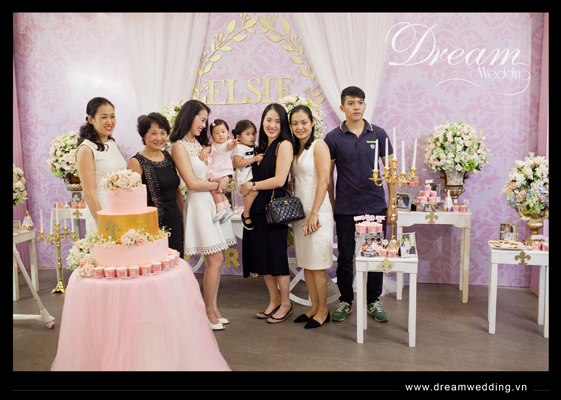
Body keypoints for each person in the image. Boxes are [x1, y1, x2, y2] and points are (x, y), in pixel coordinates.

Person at [324, 86, 395, 323]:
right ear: (342, 107)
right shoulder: (333, 138)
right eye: (351, 103)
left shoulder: (379, 134)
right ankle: (345, 300)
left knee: (375, 255)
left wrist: (391, 205)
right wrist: (332, 206)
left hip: (375, 206)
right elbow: (328, 177)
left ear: (365, 105)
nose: (356, 107)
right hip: (345, 207)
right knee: (346, 257)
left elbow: (391, 173)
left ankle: (373, 300)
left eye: (360, 102)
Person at [170, 99, 236, 331]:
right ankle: (207, 312)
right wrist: (218, 185)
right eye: (201, 120)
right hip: (199, 204)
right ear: (189, 117)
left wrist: (225, 179)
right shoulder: (178, 146)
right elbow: (191, 183)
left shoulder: (200, 144)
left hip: (210, 202)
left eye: (205, 121)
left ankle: (214, 310)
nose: (203, 125)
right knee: (215, 260)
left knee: (217, 260)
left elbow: (218, 168)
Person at [240, 104, 294, 324]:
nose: (272, 125)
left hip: (274, 210)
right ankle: (274, 301)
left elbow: (280, 180)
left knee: (277, 258)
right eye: (268, 120)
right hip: (258, 209)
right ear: (262, 121)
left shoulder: (284, 145)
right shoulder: (262, 147)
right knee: (263, 259)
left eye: (277, 121)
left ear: (283, 125)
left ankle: (286, 303)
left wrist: (252, 186)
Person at [290, 105, 333, 329]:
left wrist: (314, 214)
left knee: (317, 264)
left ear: (312, 122)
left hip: (317, 212)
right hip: (300, 213)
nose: (300, 127)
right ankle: (313, 307)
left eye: (304, 122)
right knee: (306, 263)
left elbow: (324, 181)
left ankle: (323, 310)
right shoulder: (295, 150)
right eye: (295, 123)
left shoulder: (319, 145)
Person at [128, 112, 184, 258]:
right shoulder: (136, 162)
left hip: (174, 221)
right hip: (151, 226)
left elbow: (177, 190)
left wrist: (183, 218)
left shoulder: (168, 157)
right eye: (153, 133)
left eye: (163, 133)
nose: (159, 138)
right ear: (144, 135)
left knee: (176, 262)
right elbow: (132, 201)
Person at [75, 97, 127, 233]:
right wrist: (105, 225)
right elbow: (89, 194)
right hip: (102, 212)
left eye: (112, 116)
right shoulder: (86, 149)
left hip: (121, 210)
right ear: (91, 119)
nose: (109, 122)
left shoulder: (113, 144)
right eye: (104, 117)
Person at [231, 119, 262, 230]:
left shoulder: (254, 146)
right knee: (254, 191)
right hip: (243, 179)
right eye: (248, 134)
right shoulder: (239, 148)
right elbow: (238, 163)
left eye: (253, 134)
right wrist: (254, 159)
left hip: (251, 177)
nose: (252, 137)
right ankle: (246, 214)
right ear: (238, 137)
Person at [206, 119, 236, 223]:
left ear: (228, 132)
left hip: (221, 171)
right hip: (216, 172)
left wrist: (233, 144)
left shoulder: (227, 143)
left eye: (223, 132)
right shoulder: (213, 144)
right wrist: (205, 150)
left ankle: (220, 209)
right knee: (219, 191)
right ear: (212, 136)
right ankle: (227, 208)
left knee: (214, 190)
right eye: (216, 133)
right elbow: (208, 148)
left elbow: (230, 146)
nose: (220, 135)